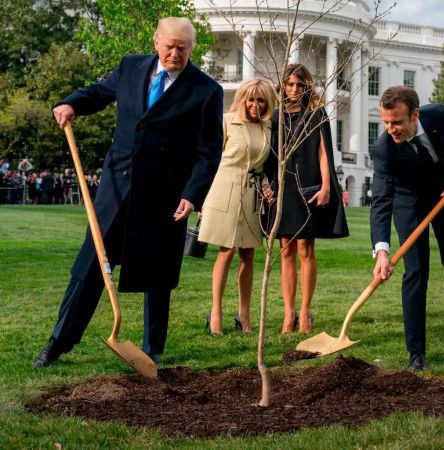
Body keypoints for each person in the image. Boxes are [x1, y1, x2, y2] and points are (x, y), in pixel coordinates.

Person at [33, 17, 224, 368]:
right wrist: (72, 103)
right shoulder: (130, 67)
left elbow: (209, 151)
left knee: (158, 273)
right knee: (90, 266)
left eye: (183, 48)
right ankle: (58, 341)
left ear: (192, 49)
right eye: (169, 46)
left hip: (165, 197)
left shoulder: (206, 91)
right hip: (117, 188)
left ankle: (153, 350)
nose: (175, 53)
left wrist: (192, 194)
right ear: (156, 43)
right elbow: (98, 92)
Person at [370, 85, 444, 372]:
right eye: (386, 122)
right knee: (416, 273)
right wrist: (382, 252)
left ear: (415, 114)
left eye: (396, 122)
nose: (390, 129)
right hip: (409, 204)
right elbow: (382, 201)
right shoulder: (383, 149)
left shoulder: (440, 116)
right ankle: (416, 353)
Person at [264, 64, 348, 334]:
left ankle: (306, 311)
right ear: (283, 85)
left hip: (309, 184)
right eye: (289, 84)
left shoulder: (316, 114)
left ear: (307, 87)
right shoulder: (275, 116)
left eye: (300, 85)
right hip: (283, 185)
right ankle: (289, 314)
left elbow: (324, 153)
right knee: (286, 248)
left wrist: (326, 187)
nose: (294, 89)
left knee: (305, 248)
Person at [199, 79, 276, 335]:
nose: (255, 104)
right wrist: (200, 196)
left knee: (248, 254)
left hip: (252, 194)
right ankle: (216, 313)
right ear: (242, 98)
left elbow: (262, 166)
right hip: (224, 189)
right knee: (226, 250)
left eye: (261, 100)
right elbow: (209, 160)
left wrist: (266, 185)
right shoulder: (226, 120)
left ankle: (244, 314)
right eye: (251, 99)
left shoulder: (269, 127)